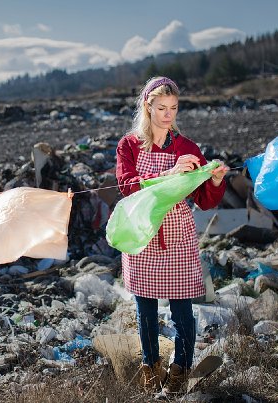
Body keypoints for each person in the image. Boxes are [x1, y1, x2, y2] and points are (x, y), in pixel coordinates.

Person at [115, 76, 228, 394]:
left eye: (173, 108)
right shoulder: (130, 145)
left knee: (182, 311)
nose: (168, 114)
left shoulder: (187, 147)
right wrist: (168, 173)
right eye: (161, 107)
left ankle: (180, 372)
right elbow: (127, 186)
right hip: (143, 234)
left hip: (177, 233)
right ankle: (150, 368)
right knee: (146, 309)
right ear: (147, 107)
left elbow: (205, 199)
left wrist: (215, 180)